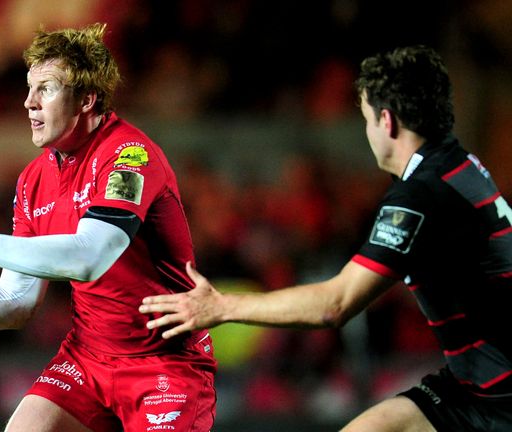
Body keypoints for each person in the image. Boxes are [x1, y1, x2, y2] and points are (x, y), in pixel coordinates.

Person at [140, 45, 512, 431]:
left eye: (366, 118)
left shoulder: (419, 194)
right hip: (471, 387)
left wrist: (219, 308)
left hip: (499, 398)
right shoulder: (459, 163)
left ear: (386, 121)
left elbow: (335, 304)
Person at [0, 23, 216, 432]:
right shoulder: (33, 180)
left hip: (164, 365)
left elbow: (91, 256)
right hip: (87, 359)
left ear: (86, 99)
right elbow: (16, 300)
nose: (29, 102)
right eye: (29, 88)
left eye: (45, 89)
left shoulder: (130, 157)